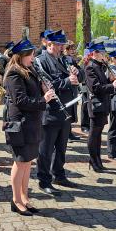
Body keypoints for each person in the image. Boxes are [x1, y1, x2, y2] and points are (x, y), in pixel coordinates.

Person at [3, 38, 55, 216]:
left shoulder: (29, 70)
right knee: (20, 162)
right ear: (22, 55)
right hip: (20, 124)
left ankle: (25, 198)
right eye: (31, 55)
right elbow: (21, 101)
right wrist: (44, 99)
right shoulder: (14, 74)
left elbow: (31, 93)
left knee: (27, 162)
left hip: (32, 123)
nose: (34, 57)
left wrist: (43, 89)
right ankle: (16, 200)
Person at [35, 30, 83, 195]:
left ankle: (59, 175)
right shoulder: (41, 61)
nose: (62, 47)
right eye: (58, 44)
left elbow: (81, 74)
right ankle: (44, 180)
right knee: (46, 149)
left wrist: (77, 74)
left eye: (62, 44)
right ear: (49, 44)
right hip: (51, 111)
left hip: (66, 110)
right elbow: (47, 82)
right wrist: (66, 81)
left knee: (61, 148)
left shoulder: (64, 59)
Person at [84, 42, 116, 172]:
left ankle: (97, 159)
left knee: (98, 135)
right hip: (96, 105)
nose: (104, 55)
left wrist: (110, 81)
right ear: (94, 53)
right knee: (94, 134)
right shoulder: (90, 67)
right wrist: (112, 86)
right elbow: (95, 88)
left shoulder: (99, 66)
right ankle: (93, 160)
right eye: (101, 53)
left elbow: (102, 84)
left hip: (103, 104)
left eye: (104, 52)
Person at [63, 40, 82, 142]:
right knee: (68, 112)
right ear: (66, 49)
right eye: (71, 49)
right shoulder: (68, 59)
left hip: (72, 88)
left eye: (74, 49)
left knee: (70, 113)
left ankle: (69, 133)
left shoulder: (70, 59)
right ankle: (67, 134)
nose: (73, 50)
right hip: (68, 88)